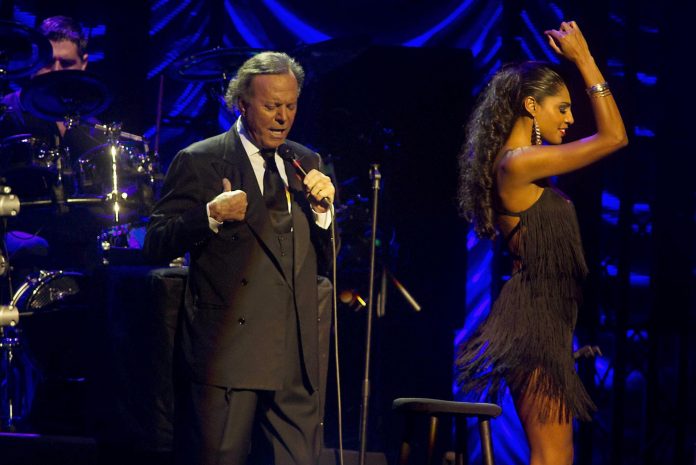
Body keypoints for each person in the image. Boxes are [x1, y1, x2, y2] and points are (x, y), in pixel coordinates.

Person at [143, 51, 336, 465]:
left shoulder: (307, 163)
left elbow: (325, 261)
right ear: (242, 104)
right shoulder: (201, 160)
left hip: (294, 358)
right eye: (271, 106)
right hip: (229, 354)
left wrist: (323, 214)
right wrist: (209, 215)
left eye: (290, 106)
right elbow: (155, 241)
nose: (282, 117)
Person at [455, 21, 627, 465]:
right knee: (551, 456)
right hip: (532, 324)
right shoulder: (517, 164)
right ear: (531, 106)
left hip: (547, 322)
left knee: (557, 456)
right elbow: (614, 137)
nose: (570, 119)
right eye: (562, 108)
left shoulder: (528, 166)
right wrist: (584, 59)